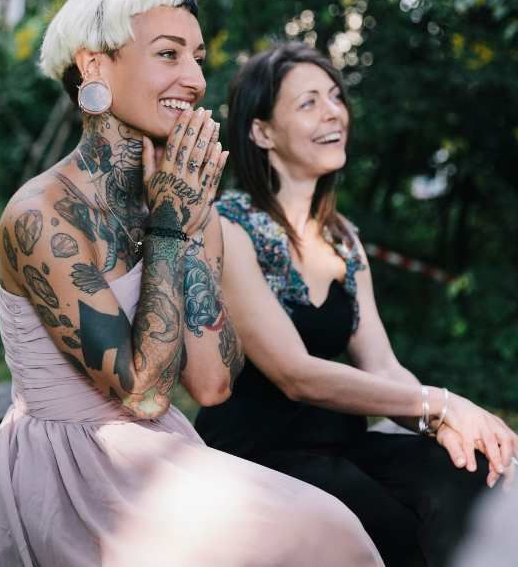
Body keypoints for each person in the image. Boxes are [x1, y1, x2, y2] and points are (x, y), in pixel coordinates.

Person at [0, 0, 383, 566]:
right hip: (68, 472)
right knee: (317, 532)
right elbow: (141, 394)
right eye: (168, 54)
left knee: (333, 529)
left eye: (197, 57)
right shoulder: (42, 215)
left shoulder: (185, 200)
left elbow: (212, 386)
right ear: (94, 65)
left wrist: (186, 226)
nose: (193, 79)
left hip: (159, 450)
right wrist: (169, 229)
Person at [194, 42, 518, 567]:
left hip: (339, 444)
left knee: (467, 474)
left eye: (335, 97)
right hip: (258, 457)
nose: (333, 112)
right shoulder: (228, 229)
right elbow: (295, 374)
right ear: (262, 132)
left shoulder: (343, 239)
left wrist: (444, 425)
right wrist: (443, 402)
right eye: (308, 103)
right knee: (382, 520)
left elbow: (384, 366)